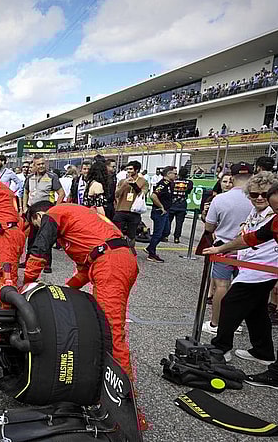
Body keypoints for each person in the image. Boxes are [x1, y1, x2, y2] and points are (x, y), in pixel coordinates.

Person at [203, 182, 278, 392]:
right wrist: (221, 248)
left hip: (265, 270)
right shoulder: (277, 222)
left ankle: (276, 372)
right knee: (274, 318)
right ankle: (270, 361)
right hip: (263, 270)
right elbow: (249, 239)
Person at [24, 201, 139, 379]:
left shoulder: (53, 213)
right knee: (106, 325)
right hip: (120, 260)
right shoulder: (77, 222)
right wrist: (65, 290)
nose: (40, 229)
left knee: (111, 331)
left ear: (38, 216)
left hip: (111, 265)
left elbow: (39, 250)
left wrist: (27, 283)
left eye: (37, 225)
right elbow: (84, 272)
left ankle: (124, 396)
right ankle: (106, 378)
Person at [210, 172, 278, 364]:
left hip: (263, 270)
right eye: (254, 195)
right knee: (257, 312)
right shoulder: (255, 212)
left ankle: (221, 347)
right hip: (250, 267)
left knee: (230, 303)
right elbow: (249, 238)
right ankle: (263, 351)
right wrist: (229, 252)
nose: (260, 198)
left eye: (264, 194)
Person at [202, 162, 253, 335]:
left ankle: (216, 323)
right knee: (243, 288)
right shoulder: (258, 199)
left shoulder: (220, 199)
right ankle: (236, 324)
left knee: (221, 286)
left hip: (223, 247)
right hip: (249, 250)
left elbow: (209, 227)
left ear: (232, 177)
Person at [112, 161, 148, 247]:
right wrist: (124, 184)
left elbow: (142, 194)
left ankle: (130, 252)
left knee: (131, 235)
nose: (128, 171)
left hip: (134, 212)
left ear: (137, 170)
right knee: (116, 233)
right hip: (121, 211)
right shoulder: (122, 181)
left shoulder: (143, 181)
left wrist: (134, 184)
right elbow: (116, 194)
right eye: (127, 169)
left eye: (131, 169)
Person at [145, 166, 176, 263]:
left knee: (165, 232)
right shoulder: (163, 184)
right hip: (159, 212)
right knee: (158, 233)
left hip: (166, 211)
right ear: (168, 174)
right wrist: (161, 206)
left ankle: (150, 247)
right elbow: (153, 196)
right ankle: (151, 254)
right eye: (174, 173)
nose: (176, 175)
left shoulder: (170, 184)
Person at [166, 167, 194, 244]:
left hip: (172, 203)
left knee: (168, 221)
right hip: (182, 204)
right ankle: (176, 238)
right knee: (179, 222)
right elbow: (188, 191)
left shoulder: (173, 182)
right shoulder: (190, 182)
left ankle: (166, 235)